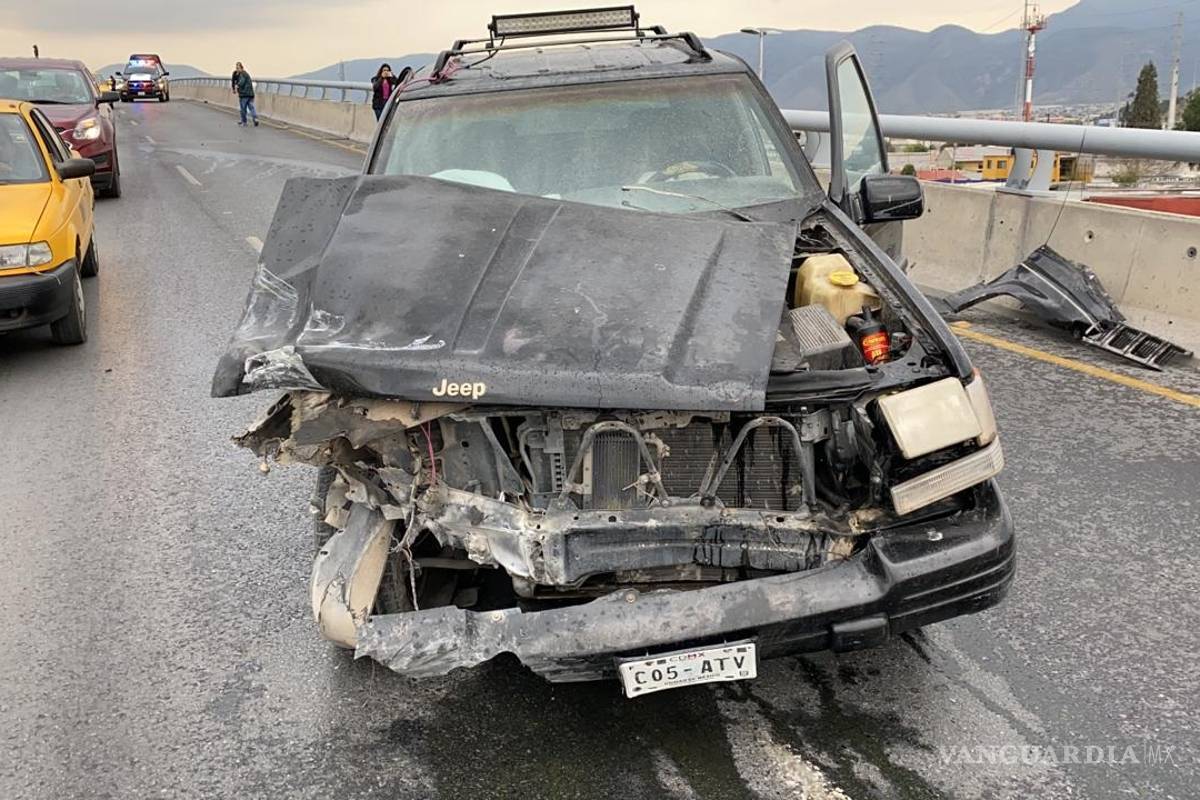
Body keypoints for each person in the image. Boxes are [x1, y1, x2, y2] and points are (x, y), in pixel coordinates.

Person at [233, 62, 258, 127]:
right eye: (236, 68)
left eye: (238, 68)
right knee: (251, 107)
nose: (236, 69)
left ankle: (244, 122)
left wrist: (237, 86)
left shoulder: (242, 74)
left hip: (244, 94)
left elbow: (242, 82)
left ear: (241, 68)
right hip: (250, 94)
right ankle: (255, 118)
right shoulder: (246, 74)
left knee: (243, 108)